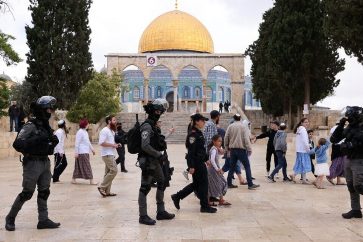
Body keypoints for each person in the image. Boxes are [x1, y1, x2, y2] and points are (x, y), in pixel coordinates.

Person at [5, 96, 60, 231]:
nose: (50, 112)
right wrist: (36, 139)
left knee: (44, 191)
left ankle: (43, 220)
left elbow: (48, 143)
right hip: (32, 163)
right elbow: (17, 144)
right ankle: (10, 217)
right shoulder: (30, 125)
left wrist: (53, 141)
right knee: (27, 193)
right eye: (48, 109)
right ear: (41, 110)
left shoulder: (46, 126)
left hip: (45, 162)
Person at [137, 99, 175, 225]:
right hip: (148, 161)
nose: (159, 113)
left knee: (162, 181)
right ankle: (143, 215)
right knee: (145, 188)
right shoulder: (147, 126)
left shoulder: (153, 125)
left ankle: (161, 211)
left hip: (155, 161)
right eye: (158, 111)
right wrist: (159, 154)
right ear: (153, 111)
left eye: (161, 111)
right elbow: (145, 146)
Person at [171, 113, 217, 213]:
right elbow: (191, 152)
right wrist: (191, 166)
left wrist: (206, 159)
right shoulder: (193, 135)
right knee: (204, 184)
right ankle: (204, 206)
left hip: (200, 161)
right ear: (196, 121)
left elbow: (201, 150)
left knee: (196, 184)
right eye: (202, 121)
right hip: (197, 163)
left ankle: (177, 196)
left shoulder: (198, 133)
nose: (204, 122)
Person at [331, 106, 363, 219]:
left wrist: (352, 145)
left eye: (350, 116)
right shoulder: (350, 127)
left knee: (359, 185)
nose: (348, 118)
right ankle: (356, 210)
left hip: (360, 159)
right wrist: (340, 125)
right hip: (349, 158)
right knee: (351, 185)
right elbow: (334, 139)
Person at [225, 114, 259, 190]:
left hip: (232, 150)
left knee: (232, 167)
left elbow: (226, 137)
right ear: (240, 118)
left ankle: (229, 183)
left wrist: (227, 148)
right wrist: (249, 149)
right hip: (241, 150)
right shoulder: (243, 127)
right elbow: (246, 139)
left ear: (234, 118)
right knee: (247, 166)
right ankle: (250, 184)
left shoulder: (230, 126)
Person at [97, 115, 119, 197]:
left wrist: (116, 145)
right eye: (114, 120)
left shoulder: (112, 131)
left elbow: (110, 143)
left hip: (111, 154)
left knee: (107, 173)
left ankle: (107, 191)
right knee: (114, 170)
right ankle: (102, 187)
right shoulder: (104, 130)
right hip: (106, 154)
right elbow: (101, 143)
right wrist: (113, 145)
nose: (115, 122)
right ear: (109, 121)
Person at [72, 119, 97, 185]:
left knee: (78, 166)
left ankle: (73, 179)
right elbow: (77, 143)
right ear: (85, 124)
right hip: (81, 152)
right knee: (87, 166)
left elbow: (88, 142)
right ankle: (91, 180)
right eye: (88, 124)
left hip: (85, 152)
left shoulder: (85, 132)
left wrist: (92, 149)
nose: (88, 125)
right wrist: (76, 153)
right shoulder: (80, 132)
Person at [208, 134, 230, 206]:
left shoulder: (215, 148)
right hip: (214, 170)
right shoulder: (214, 149)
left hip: (213, 170)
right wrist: (217, 169)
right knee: (220, 183)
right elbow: (212, 160)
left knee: (212, 184)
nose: (220, 142)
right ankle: (221, 200)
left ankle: (218, 199)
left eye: (221, 141)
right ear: (214, 141)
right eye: (219, 141)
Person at [289, 118, 311, 184]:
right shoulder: (303, 130)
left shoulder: (299, 129)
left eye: (307, 122)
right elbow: (305, 141)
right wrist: (308, 149)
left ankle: (302, 179)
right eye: (305, 122)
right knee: (303, 164)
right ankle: (295, 175)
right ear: (301, 123)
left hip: (299, 150)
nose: (307, 123)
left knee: (301, 164)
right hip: (303, 150)